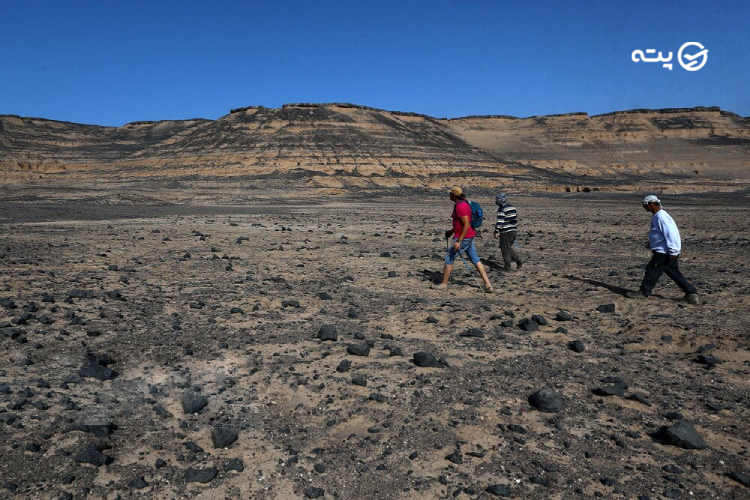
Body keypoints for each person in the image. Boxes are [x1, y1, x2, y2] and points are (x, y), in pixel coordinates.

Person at [626, 195, 699, 304]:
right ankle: (691, 294)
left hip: (663, 252)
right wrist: (652, 243)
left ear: (652, 204)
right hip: (665, 251)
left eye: (645, 205)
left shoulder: (661, 217)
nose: (644, 207)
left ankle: (644, 292)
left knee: (652, 270)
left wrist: (674, 250)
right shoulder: (659, 216)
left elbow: (671, 233)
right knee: (674, 273)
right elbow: (660, 234)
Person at [434, 187, 493, 292]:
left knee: (449, 259)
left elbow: (466, 224)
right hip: (468, 236)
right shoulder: (463, 204)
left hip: (463, 237)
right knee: (475, 259)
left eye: (451, 194)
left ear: (454, 195)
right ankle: (488, 284)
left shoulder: (460, 206)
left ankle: (444, 284)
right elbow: (461, 224)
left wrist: (458, 241)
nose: (449, 195)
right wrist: (451, 231)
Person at [493, 193, 522, 270]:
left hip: (505, 231)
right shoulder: (513, 207)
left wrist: (496, 231)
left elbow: (500, 222)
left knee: (505, 249)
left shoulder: (502, 209)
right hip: (514, 230)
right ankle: (518, 260)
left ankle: (507, 266)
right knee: (508, 247)